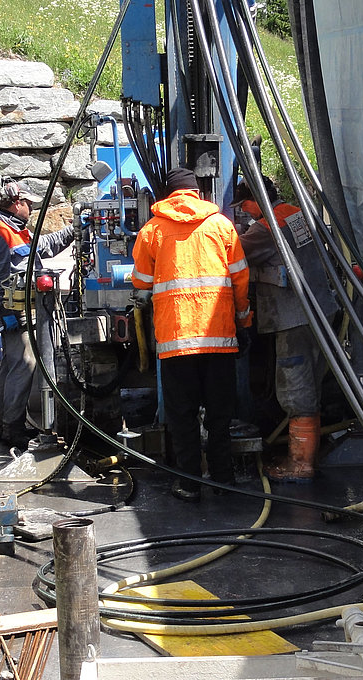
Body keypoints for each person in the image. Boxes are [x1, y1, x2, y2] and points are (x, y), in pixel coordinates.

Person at [132, 167, 253, 501]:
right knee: (219, 415)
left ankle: (188, 482)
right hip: (219, 339)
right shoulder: (221, 226)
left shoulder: (152, 231)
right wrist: (243, 321)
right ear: (197, 193)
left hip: (176, 343)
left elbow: (141, 284)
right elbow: (240, 280)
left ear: (169, 195)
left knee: (182, 416)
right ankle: (224, 479)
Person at [233, 177, 331, 481]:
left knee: (295, 388)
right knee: (311, 384)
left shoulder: (266, 226)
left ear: (253, 201)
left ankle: (301, 465)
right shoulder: (296, 212)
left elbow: (233, 254)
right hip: (321, 310)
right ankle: (305, 457)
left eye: (243, 207)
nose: (244, 213)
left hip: (293, 316)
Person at [0, 180, 74, 449]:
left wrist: (73, 231)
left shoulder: (20, 232)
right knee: (25, 365)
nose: (31, 208)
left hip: (19, 311)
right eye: (28, 204)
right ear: (15, 203)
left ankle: (3, 426)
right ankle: (13, 428)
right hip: (10, 313)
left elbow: (46, 245)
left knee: (11, 367)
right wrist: (4, 314)